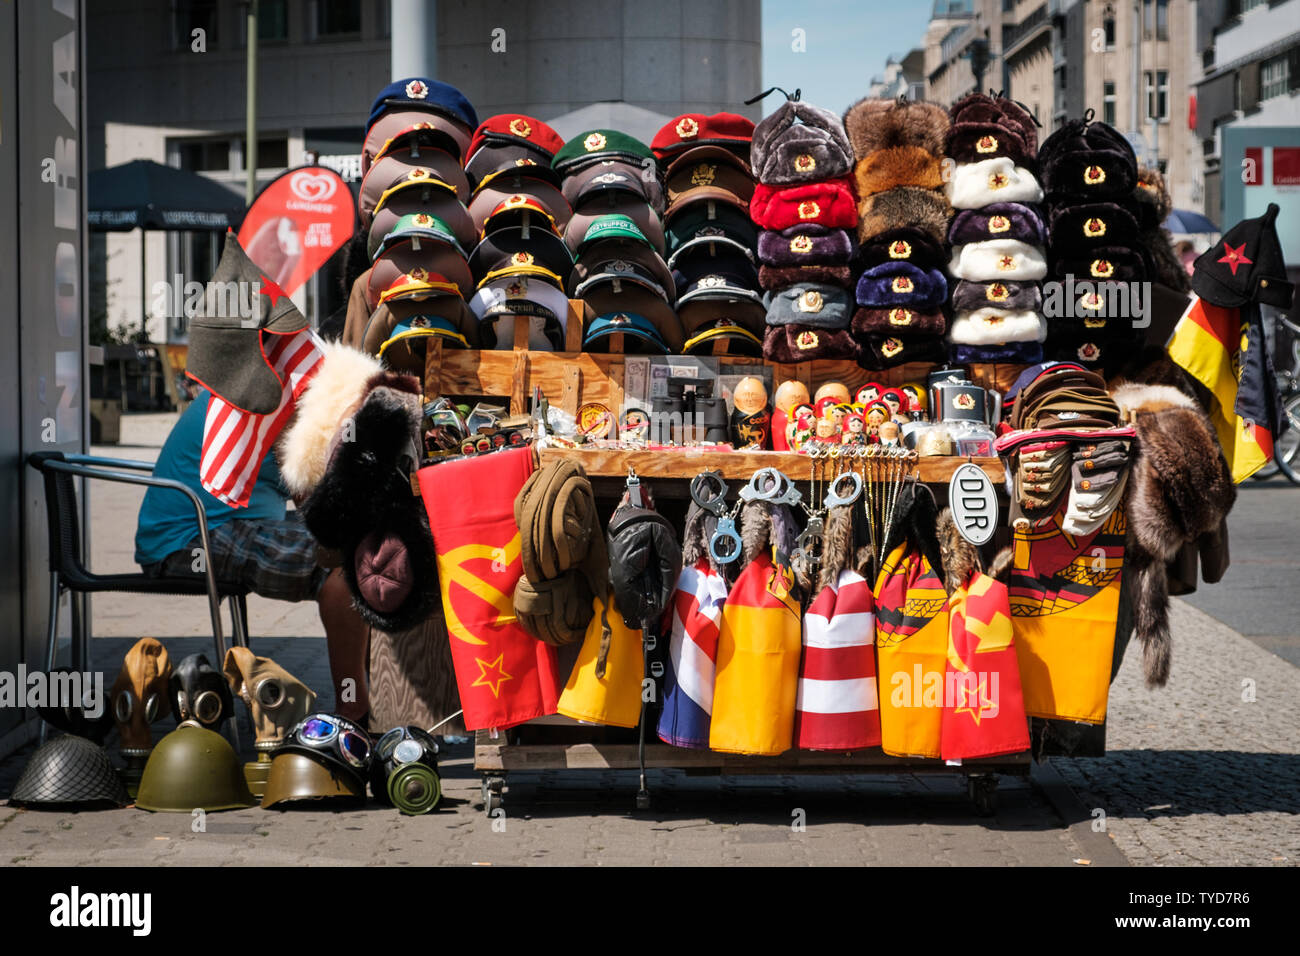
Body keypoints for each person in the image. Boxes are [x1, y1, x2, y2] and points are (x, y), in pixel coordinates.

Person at [134, 389, 370, 725]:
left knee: (366, 548)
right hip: (189, 538)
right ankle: (354, 714)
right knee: (345, 568)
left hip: (224, 523)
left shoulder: (259, 382)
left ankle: (370, 697)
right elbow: (313, 499)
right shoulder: (268, 396)